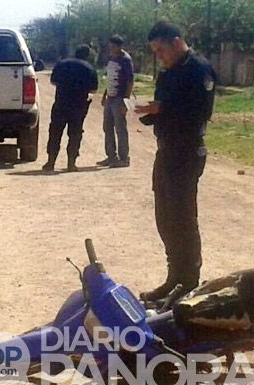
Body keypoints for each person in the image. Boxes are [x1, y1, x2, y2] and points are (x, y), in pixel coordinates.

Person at [135, 21, 216, 303]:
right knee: (165, 218)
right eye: (155, 52)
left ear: (177, 42)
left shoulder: (198, 69)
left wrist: (163, 108)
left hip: (187, 152)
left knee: (183, 218)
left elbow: (201, 111)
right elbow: (164, 109)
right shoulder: (167, 74)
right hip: (167, 152)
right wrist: (148, 113)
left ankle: (188, 282)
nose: (159, 56)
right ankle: (174, 278)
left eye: (161, 50)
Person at [43, 45, 98, 173]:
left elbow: (53, 81)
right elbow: (94, 90)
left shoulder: (62, 64)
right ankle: (71, 164)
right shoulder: (90, 68)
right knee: (75, 134)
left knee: (55, 132)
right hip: (78, 106)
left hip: (61, 104)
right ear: (87, 55)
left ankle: (51, 162)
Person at [99, 35, 134, 168]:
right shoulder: (112, 58)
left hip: (119, 98)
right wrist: (105, 95)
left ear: (119, 46)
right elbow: (110, 78)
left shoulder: (125, 60)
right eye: (110, 45)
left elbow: (130, 81)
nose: (111, 48)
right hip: (110, 97)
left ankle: (124, 158)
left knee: (120, 128)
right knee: (107, 127)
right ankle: (111, 156)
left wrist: (126, 101)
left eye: (113, 46)